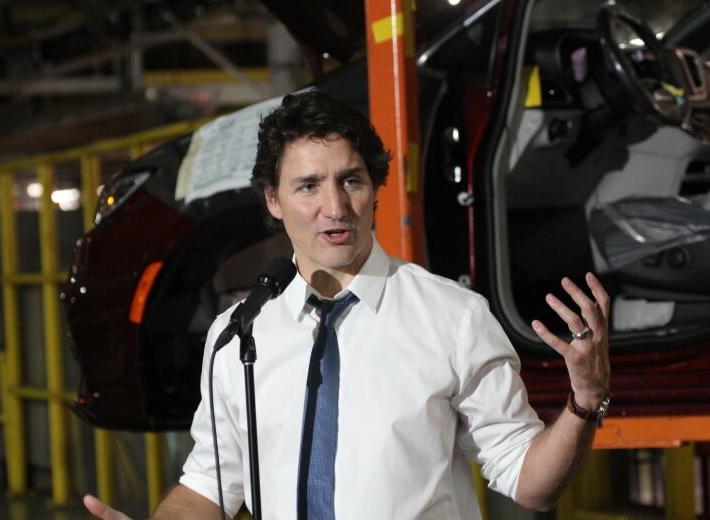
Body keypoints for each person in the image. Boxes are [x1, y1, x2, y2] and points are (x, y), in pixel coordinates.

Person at [84, 89, 610, 519]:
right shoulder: (237, 335)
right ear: (273, 200)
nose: (334, 208)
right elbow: (209, 486)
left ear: (375, 187)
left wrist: (584, 402)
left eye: (350, 180)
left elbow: (531, 483)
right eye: (308, 186)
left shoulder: (453, 318)